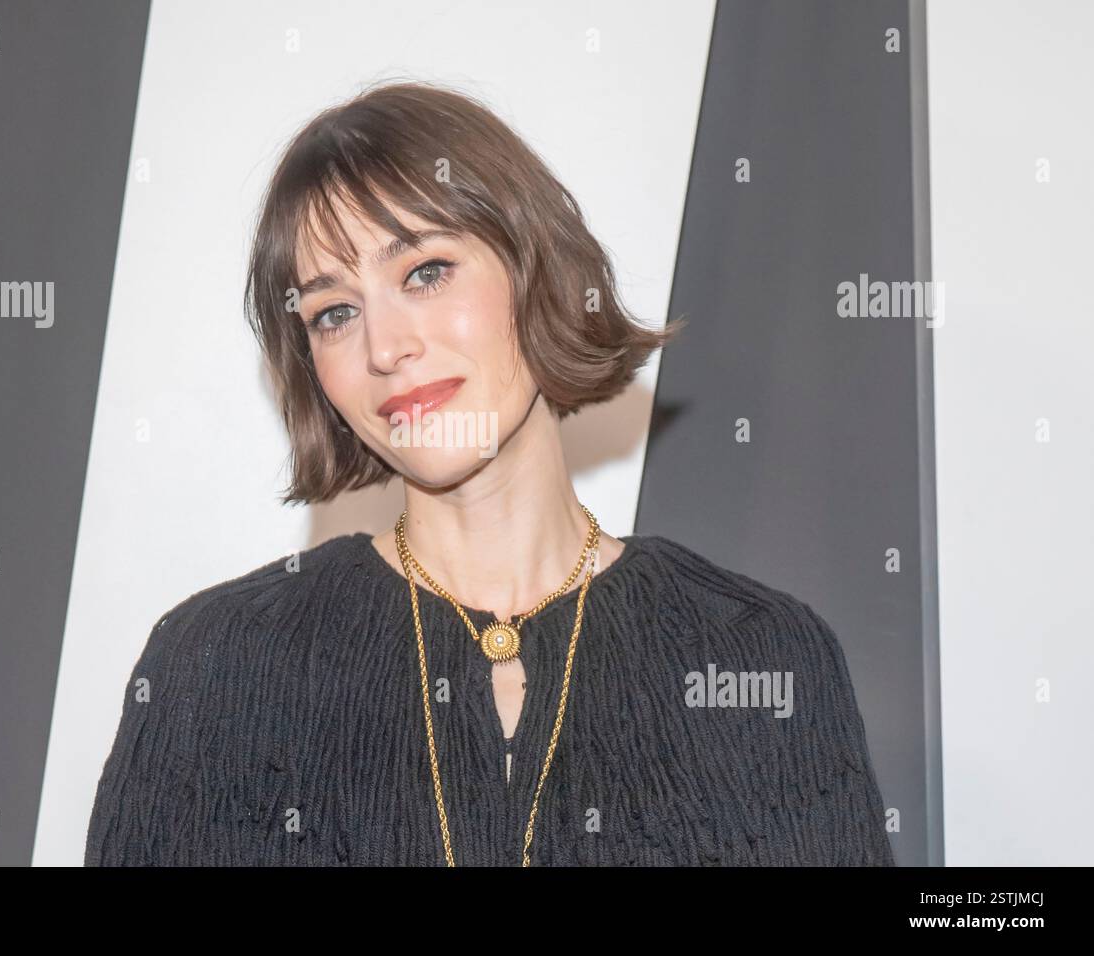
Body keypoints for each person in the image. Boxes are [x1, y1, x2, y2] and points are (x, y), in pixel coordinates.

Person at [84, 79, 894, 866]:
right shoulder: (217, 667)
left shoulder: (755, 658)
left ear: (535, 273)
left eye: (425, 272)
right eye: (335, 312)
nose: (384, 347)